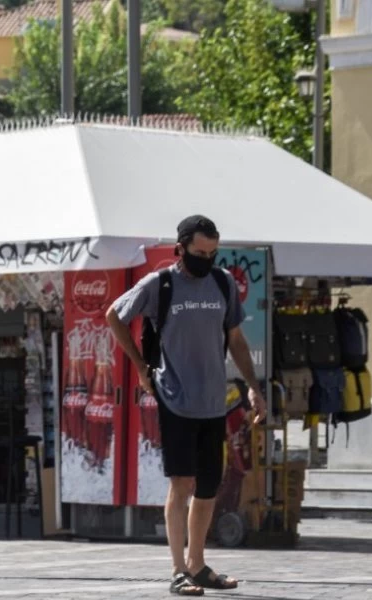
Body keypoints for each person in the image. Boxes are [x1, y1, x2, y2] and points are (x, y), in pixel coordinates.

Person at [106, 215, 266, 596]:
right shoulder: (159, 284)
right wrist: (141, 367)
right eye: (199, 252)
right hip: (175, 398)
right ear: (180, 249)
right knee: (181, 483)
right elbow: (114, 315)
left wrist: (254, 387)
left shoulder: (223, 283)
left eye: (212, 253)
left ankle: (198, 564)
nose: (206, 259)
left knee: (209, 487)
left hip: (214, 400)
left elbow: (237, 340)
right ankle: (178, 570)